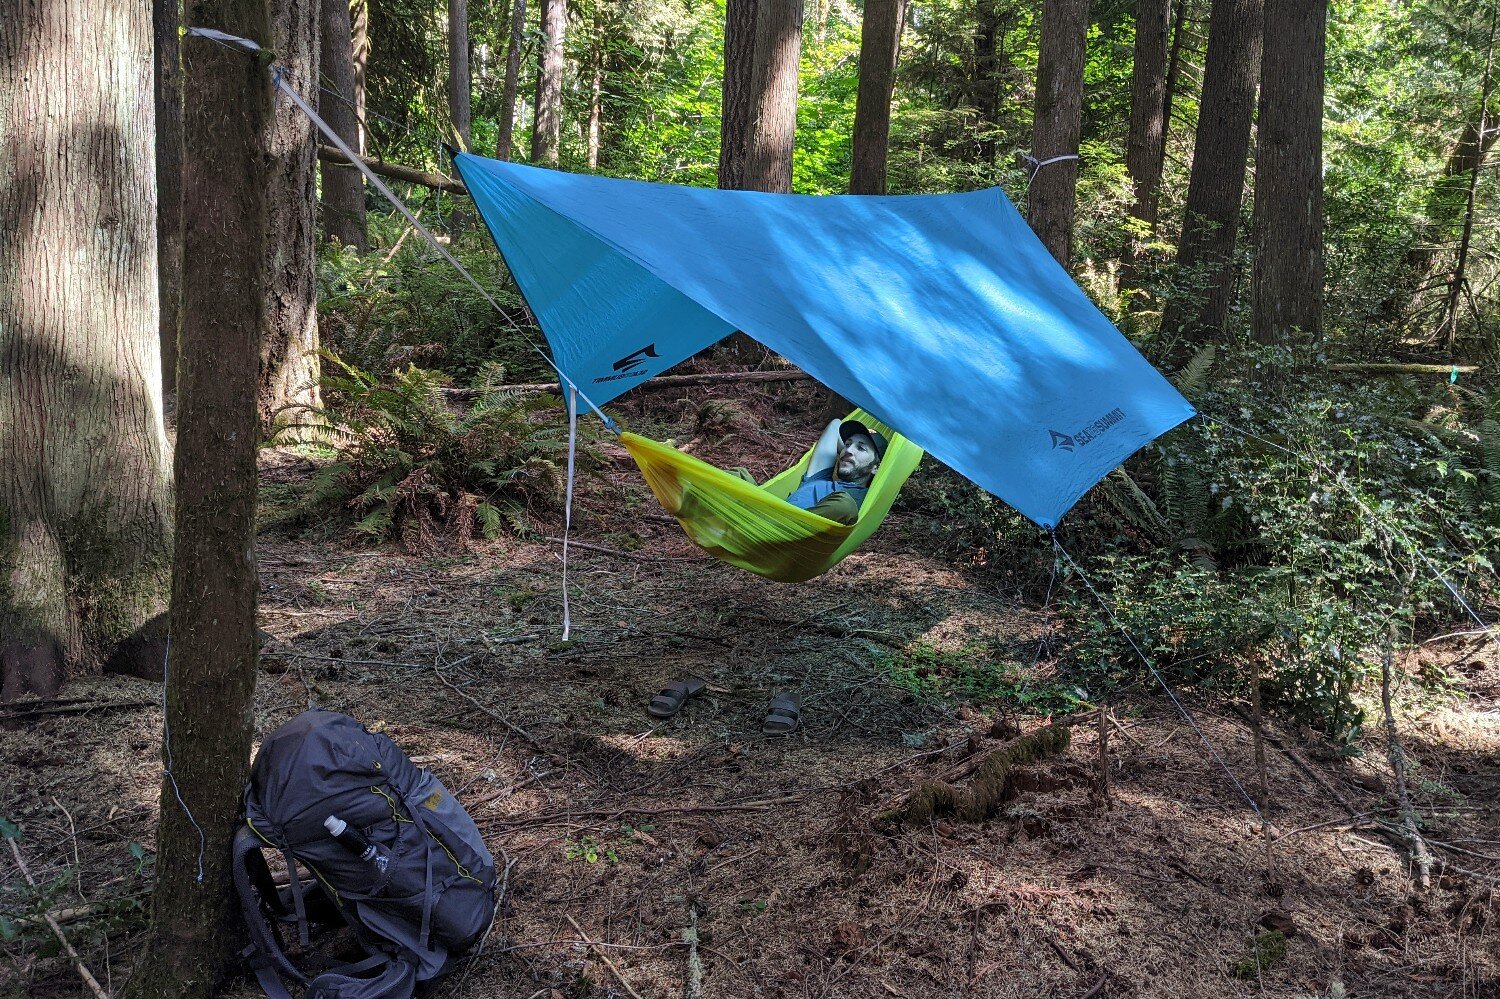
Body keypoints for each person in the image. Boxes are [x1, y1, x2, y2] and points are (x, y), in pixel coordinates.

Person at [730, 418, 889, 525]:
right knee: (738, 475)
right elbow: (835, 425)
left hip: (792, 537)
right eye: (847, 444)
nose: (848, 450)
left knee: (845, 504)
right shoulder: (819, 477)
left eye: (861, 448)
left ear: (876, 467)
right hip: (763, 518)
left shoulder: (867, 499)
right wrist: (851, 453)